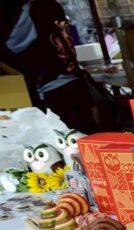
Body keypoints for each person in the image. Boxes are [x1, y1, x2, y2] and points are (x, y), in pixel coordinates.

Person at [0, 0, 116, 133]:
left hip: (51, 87)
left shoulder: (28, 11)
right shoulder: (49, 6)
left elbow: (15, 47)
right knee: (86, 132)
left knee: (66, 135)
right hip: (72, 78)